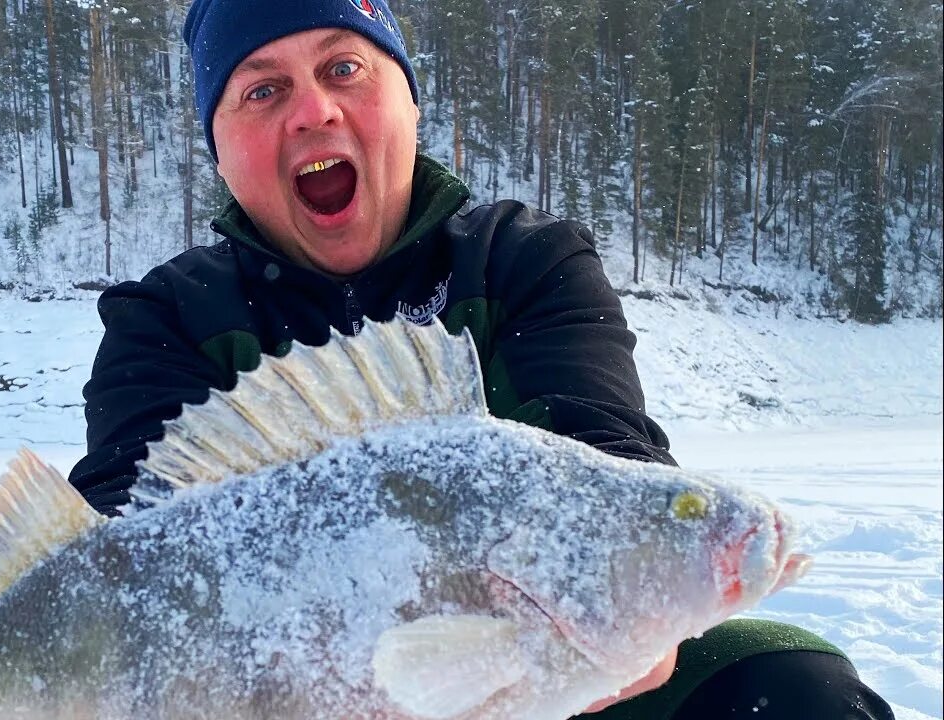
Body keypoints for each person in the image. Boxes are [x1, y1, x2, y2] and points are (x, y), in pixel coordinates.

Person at [68, 1, 895, 717]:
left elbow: (601, 453)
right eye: (262, 89)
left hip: (550, 685)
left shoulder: (524, 260)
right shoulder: (167, 316)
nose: (313, 109)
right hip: (243, 699)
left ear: (409, 101)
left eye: (345, 66)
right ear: (219, 146)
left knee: (796, 690)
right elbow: (116, 543)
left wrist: (625, 624)